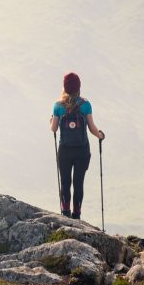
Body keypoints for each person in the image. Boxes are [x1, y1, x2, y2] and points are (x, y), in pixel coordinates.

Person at [50, 72, 104, 219]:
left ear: (65, 88)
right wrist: (100, 135)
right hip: (82, 151)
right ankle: (77, 214)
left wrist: (51, 122)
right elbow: (92, 128)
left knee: (65, 181)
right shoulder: (85, 105)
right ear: (78, 87)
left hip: (64, 151)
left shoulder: (58, 106)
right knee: (78, 183)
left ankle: (65, 213)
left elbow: (54, 129)